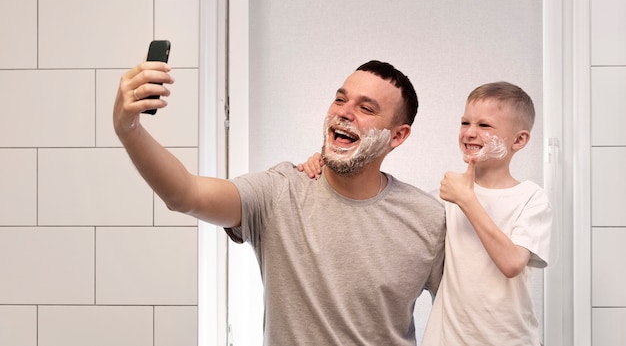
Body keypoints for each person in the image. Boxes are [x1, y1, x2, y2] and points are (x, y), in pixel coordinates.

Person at [113, 58, 446, 346]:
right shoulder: (279, 193)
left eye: (365, 108)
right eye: (340, 99)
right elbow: (185, 194)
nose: (344, 113)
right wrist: (128, 128)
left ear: (398, 135)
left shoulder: (427, 218)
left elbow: (469, 312)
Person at [299, 81, 552, 346]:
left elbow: (512, 263)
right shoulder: (441, 200)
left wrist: (467, 200)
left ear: (519, 140)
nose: (470, 133)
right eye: (465, 123)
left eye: (484, 126)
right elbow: (385, 219)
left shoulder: (530, 198)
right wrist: (328, 164)